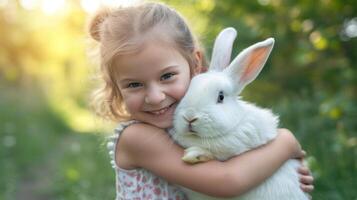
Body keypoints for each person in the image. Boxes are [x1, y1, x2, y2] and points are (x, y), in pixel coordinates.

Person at [88, 2, 314, 199]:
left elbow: (241, 166)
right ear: (116, 86)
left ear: (195, 64)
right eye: (134, 85)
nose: (155, 97)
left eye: (167, 76)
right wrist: (285, 143)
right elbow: (228, 181)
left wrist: (283, 176)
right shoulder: (137, 138)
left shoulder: (186, 128)